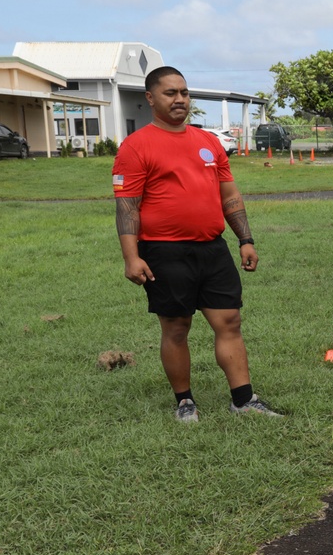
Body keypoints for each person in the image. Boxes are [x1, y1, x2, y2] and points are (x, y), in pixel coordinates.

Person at [113, 66, 281, 422]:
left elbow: (229, 195)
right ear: (150, 98)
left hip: (212, 248)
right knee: (176, 327)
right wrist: (132, 258)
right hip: (164, 251)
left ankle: (243, 400)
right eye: (170, 93)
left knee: (230, 321)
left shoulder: (208, 142)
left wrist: (245, 239)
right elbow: (127, 205)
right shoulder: (136, 145)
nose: (179, 99)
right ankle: (185, 402)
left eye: (184, 93)